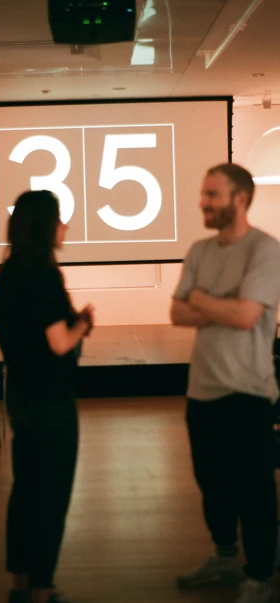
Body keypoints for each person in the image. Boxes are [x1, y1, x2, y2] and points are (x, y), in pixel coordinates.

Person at [170, 163, 280, 603]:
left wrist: (201, 298)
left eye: (212, 194)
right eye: (203, 193)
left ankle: (259, 575)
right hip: (202, 392)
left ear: (240, 198)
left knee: (254, 491)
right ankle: (225, 556)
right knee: (211, 486)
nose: (203, 202)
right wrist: (224, 303)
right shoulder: (199, 251)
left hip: (248, 393)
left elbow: (247, 316)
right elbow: (177, 313)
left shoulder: (265, 250)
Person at [0, 190, 94, 603]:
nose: (65, 226)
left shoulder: (7, 273)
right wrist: (83, 324)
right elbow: (60, 342)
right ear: (45, 226)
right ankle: (42, 592)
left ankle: (19, 587)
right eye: (59, 219)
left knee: (25, 492)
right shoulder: (45, 276)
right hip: (52, 400)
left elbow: (0, 329)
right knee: (52, 498)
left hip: (20, 396)